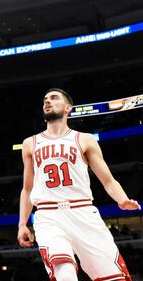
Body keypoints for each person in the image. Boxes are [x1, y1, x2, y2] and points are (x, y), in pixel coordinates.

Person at [17, 88, 139, 281]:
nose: (47, 102)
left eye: (54, 98)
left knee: (113, 277)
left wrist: (122, 200)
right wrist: (22, 223)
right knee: (64, 271)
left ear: (68, 108)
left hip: (83, 211)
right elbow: (27, 188)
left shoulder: (85, 139)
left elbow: (107, 179)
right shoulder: (30, 143)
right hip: (48, 215)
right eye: (45, 100)